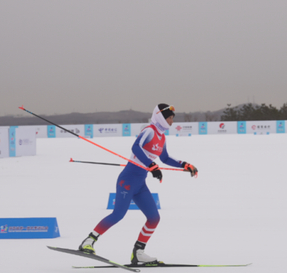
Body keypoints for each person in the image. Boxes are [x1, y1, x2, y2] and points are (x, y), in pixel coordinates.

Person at [77, 103, 198, 264]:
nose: (171, 121)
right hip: (127, 181)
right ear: (161, 117)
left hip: (140, 184)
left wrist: (185, 165)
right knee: (118, 214)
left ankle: (138, 253)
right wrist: (151, 165)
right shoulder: (149, 130)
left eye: (172, 118)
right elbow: (135, 147)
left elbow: (165, 158)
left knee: (154, 218)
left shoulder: (162, 137)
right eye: (169, 118)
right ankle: (88, 241)